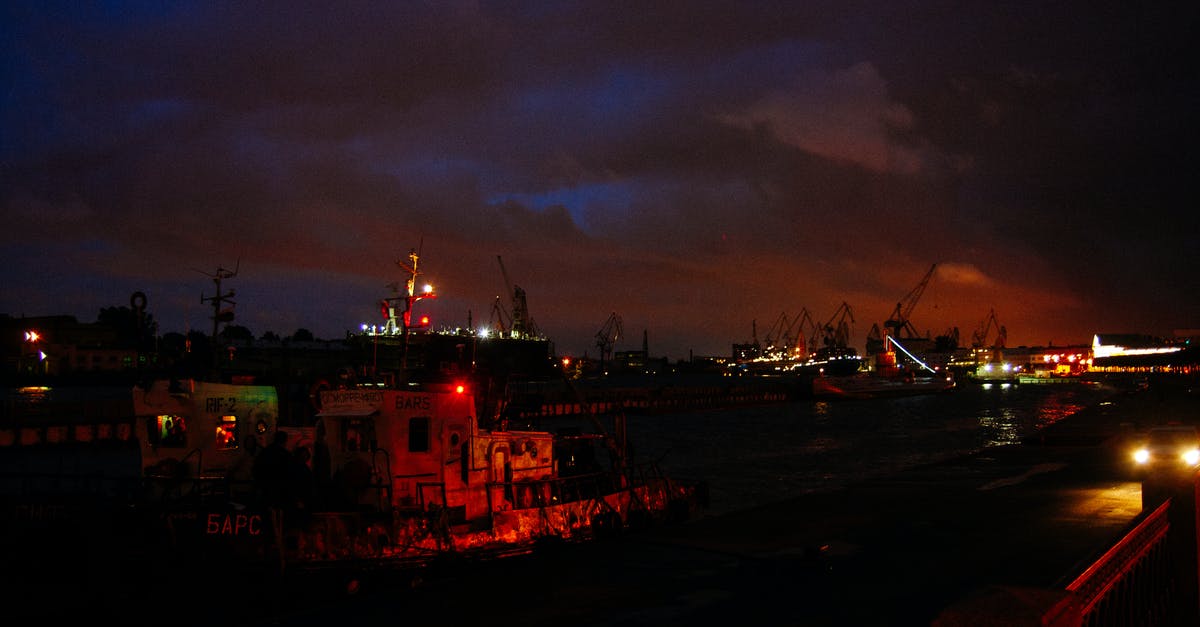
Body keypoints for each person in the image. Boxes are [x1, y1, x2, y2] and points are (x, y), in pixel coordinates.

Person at [253, 430, 293, 508]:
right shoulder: (286, 455)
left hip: (266, 485)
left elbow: (257, 468)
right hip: (280, 487)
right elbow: (289, 472)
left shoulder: (265, 452)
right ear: (285, 440)